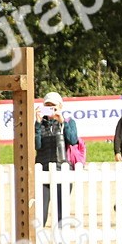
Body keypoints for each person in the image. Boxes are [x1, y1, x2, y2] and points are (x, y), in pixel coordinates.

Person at [34, 91, 79, 226]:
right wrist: (37, 124)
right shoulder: (40, 124)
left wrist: (62, 122)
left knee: (61, 213)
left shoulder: (69, 122)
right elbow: (37, 145)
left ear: (60, 106)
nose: (51, 109)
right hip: (43, 169)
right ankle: (39, 237)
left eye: (53, 106)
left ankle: (61, 239)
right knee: (41, 212)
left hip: (62, 170)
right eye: (47, 106)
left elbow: (72, 140)